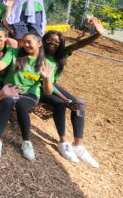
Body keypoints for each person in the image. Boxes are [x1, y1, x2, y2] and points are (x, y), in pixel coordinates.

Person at [40, 17, 104, 167]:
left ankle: (78, 145)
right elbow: (47, 85)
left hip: (52, 85)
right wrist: (67, 101)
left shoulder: (60, 54)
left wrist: (97, 35)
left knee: (79, 105)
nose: (52, 43)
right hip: (39, 86)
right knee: (61, 104)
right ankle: (63, 143)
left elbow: (78, 44)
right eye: (49, 40)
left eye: (56, 42)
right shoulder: (39, 56)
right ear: (43, 40)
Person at [0, 32, 55, 160]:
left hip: (29, 93)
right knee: (7, 102)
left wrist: (47, 79)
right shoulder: (14, 52)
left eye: (29, 42)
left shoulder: (45, 62)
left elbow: (48, 91)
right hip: (11, 88)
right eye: (24, 41)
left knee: (21, 105)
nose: (25, 45)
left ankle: (26, 141)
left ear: (39, 43)